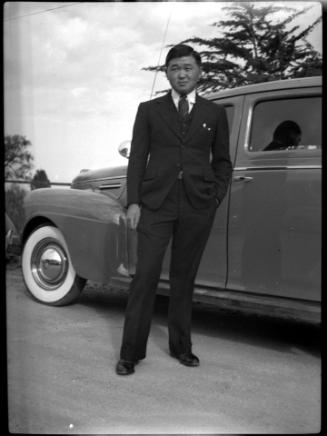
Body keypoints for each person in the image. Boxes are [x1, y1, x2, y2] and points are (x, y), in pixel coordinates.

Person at [116, 44, 232, 375]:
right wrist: (134, 201)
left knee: (184, 278)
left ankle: (182, 347)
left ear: (199, 72)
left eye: (188, 68)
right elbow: (137, 158)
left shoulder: (214, 113)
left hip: (198, 205)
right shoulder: (149, 110)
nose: (181, 73)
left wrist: (215, 198)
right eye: (175, 68)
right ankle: (130, 353)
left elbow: (223, 161)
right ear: (167, 73)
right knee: (145, 276)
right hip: (155, 204)